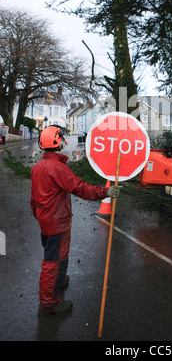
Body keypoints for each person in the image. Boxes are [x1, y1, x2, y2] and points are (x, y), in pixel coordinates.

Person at [30, 125, 121, 315]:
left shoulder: (38, 167)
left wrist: (38, 214)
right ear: (59, 142)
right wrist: (105, 192)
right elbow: (80, 187)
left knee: (58, 256)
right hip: (57, 223)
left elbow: (33, 197)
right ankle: (49, 303)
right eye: (62, 138)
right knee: (52, 262)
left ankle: (59, 280)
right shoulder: (58, 168)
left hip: (45, 221)